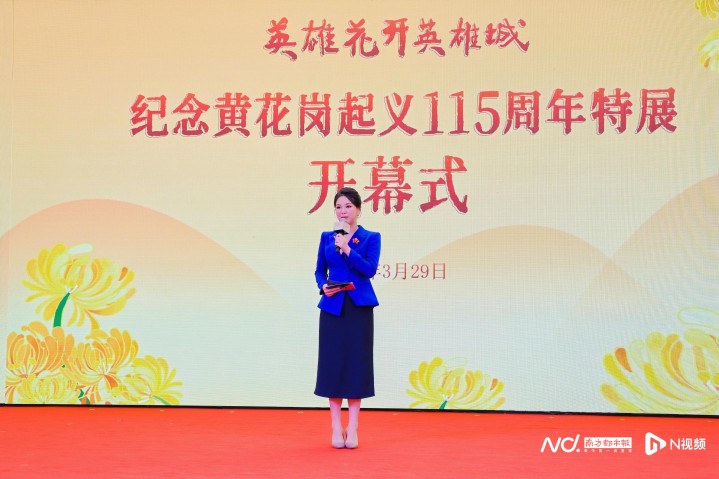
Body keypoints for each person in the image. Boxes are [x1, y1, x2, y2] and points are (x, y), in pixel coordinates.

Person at [314, 187, 381, 449]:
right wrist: (323, 286)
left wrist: (347, 249)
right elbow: (319, 270)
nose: (343, 211)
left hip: (358, 308)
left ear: (359, 210)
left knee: (355, 365)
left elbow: (369, 269)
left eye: (348, 206)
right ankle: (335, 426)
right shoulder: (326, 237)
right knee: (332, 364)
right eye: (338, 207)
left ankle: (352, 427)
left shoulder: (370, 237)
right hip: (333, 307)